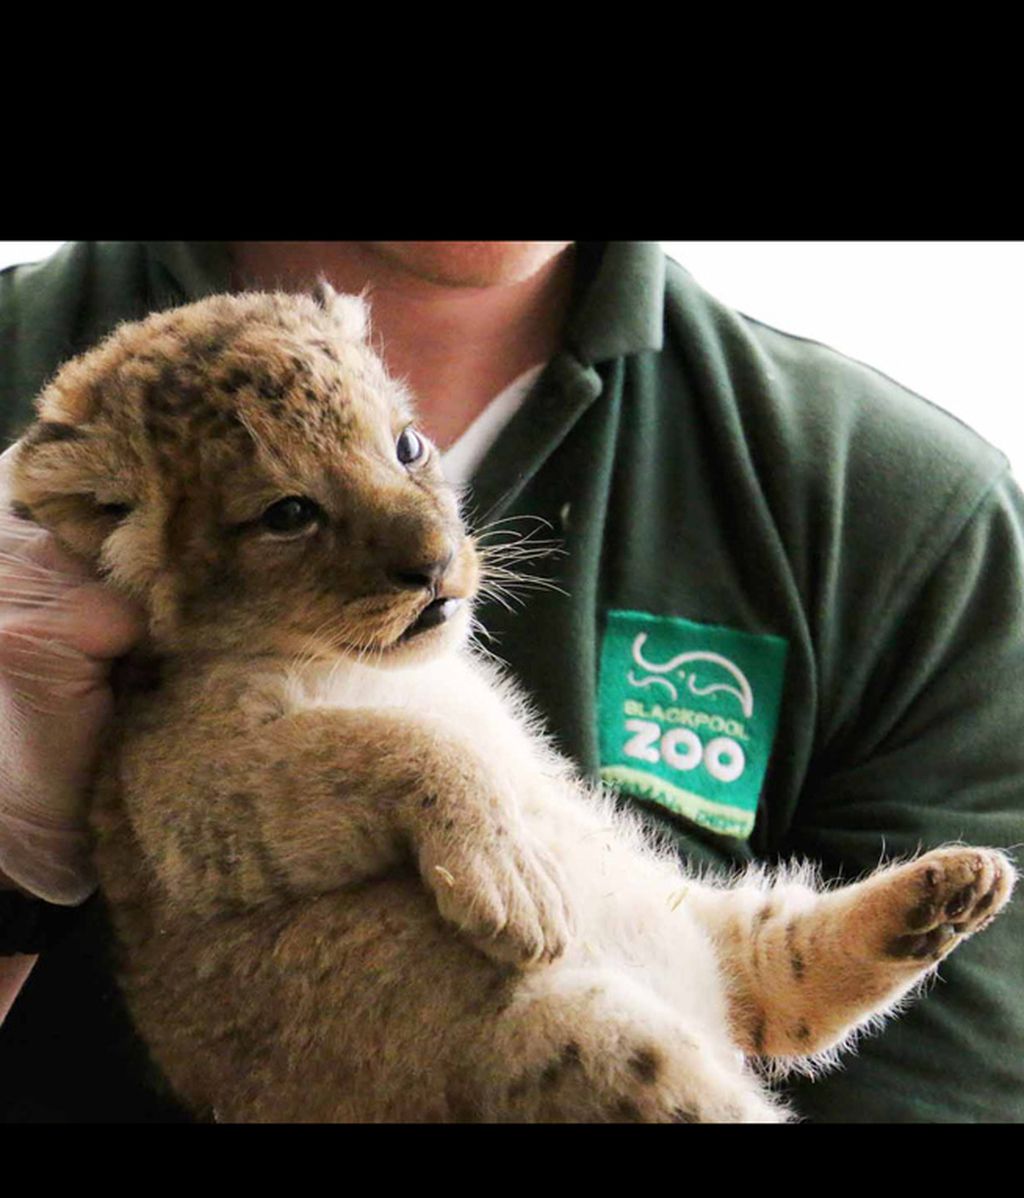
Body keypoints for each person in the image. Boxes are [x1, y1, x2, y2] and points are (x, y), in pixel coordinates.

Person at [0, 240, 1021, 1122]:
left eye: (408, 451)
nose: (428, 547)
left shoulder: (912, 517)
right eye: (289, 514)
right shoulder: (62, 413)